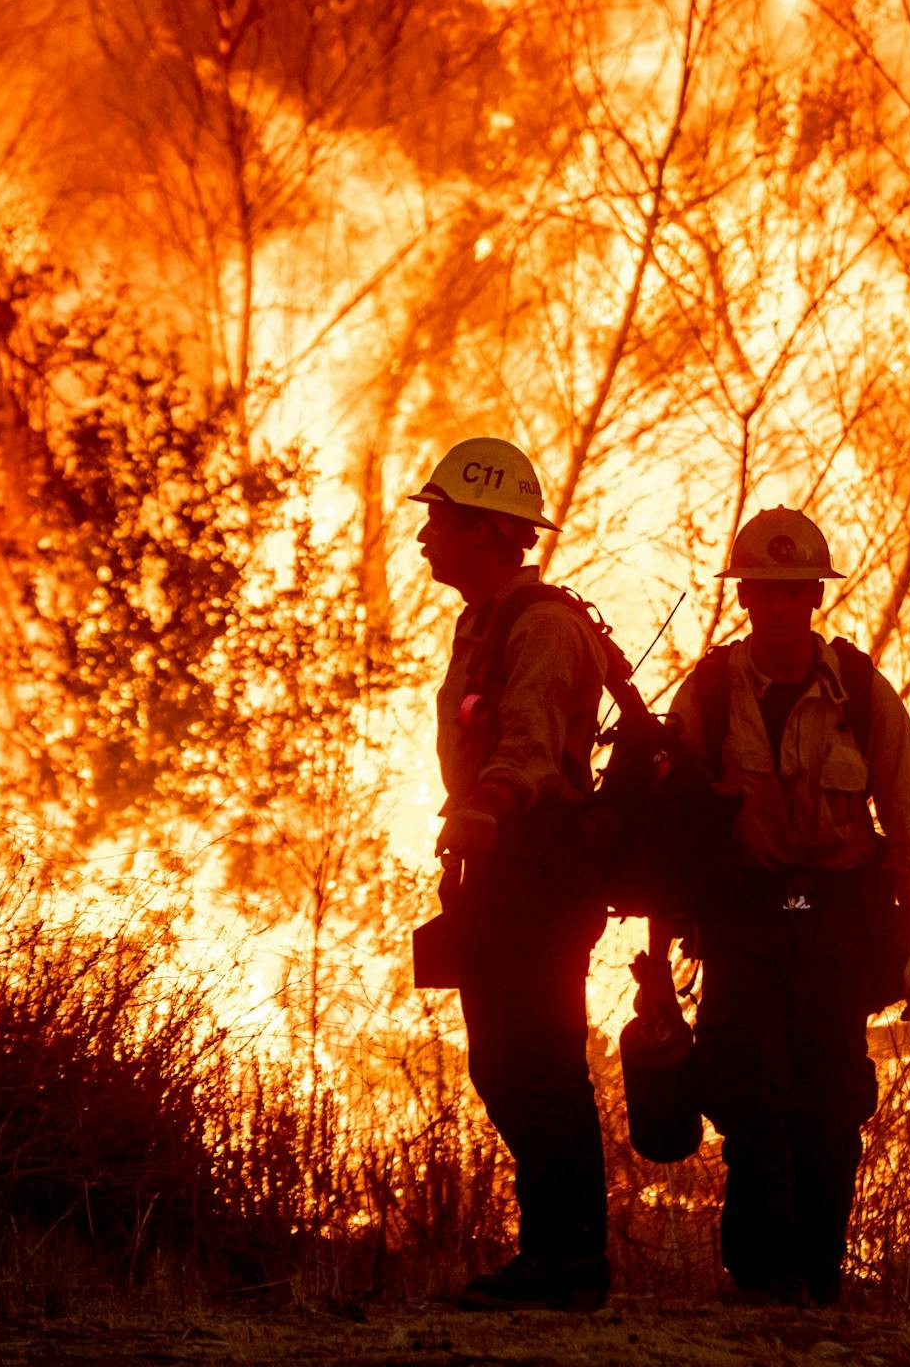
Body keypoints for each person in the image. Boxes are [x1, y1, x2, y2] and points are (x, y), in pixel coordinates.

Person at [668, 506, 910, 1307]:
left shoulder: (862, 693)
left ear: (814, 597)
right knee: (748, 1090)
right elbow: (668, 812)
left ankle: (820, 1276)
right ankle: (764, 1279)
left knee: (831, 1101)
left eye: (793, 589)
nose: (777, 604)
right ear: (744, 598)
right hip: (747, 919)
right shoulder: (709, 694)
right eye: (763, 589)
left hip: (836, 923)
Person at [412, 436, 611, 1312]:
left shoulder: (542, 628)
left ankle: (567, 1265)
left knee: (539, 1062)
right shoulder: (484, 624)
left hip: (541, 871)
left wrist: (487, 806)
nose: (425, 535)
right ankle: (557, 1258)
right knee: (504, 1063)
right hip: (500, 869)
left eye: (440, 519)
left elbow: (530, 748)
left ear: (488, 530)